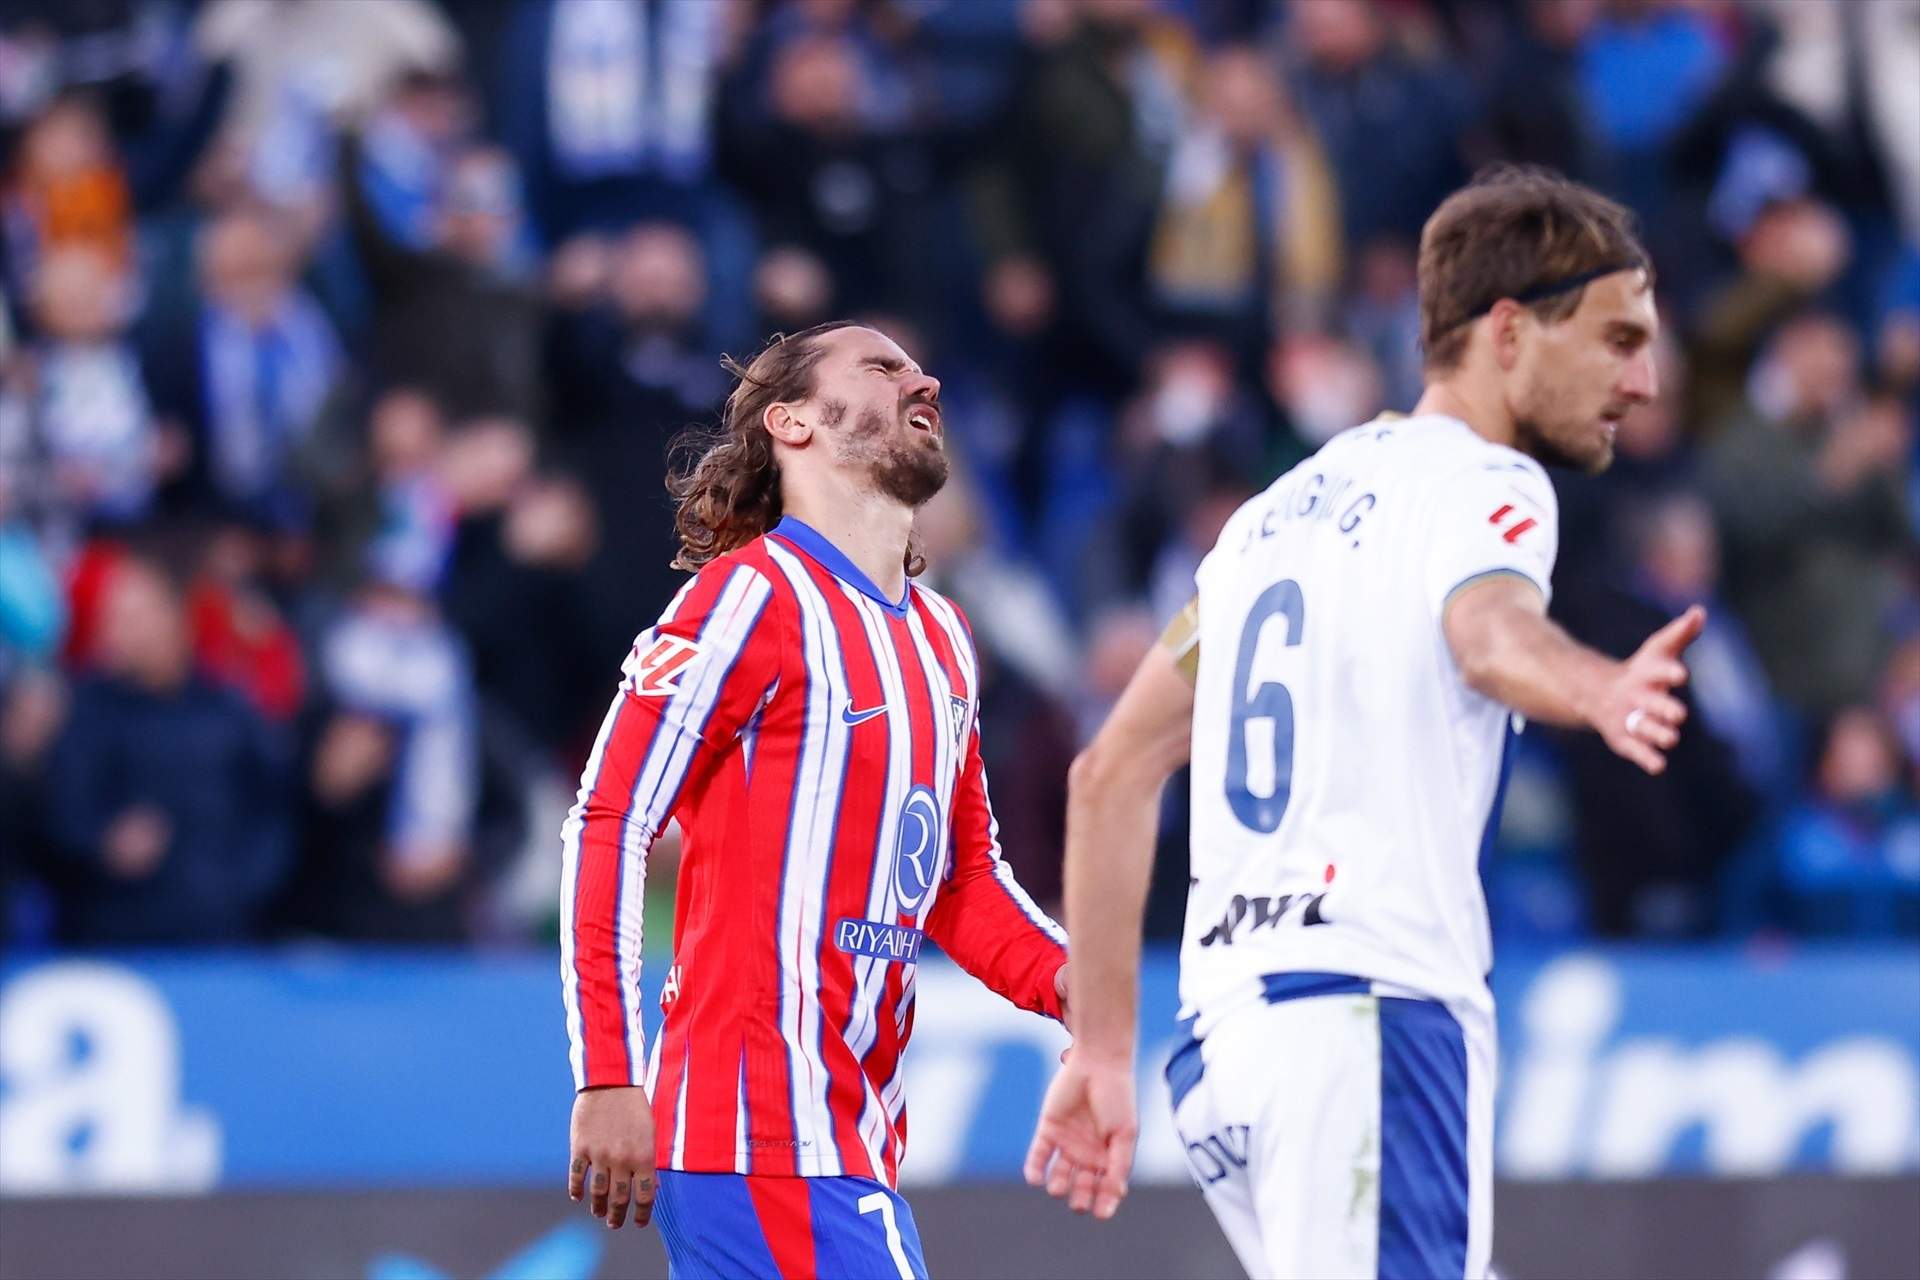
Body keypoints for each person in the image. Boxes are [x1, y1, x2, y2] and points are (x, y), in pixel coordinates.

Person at [1024, 168, 1705, 1278]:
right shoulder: (1487, 487)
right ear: (1509, 330)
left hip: (1225, 1047)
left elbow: (1111, 770)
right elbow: (1487, 632)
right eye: (1620, 335)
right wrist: (1597, 685)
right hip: (1363, 1016)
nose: (1645, 377)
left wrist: (1101, 1047)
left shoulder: (1269, 523)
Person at [561, 322, 1069, 1277]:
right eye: (880, 367)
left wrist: (1072, 984)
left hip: (848, 1134)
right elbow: (609, 818)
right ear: (792, 422)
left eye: (919, 364)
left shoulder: (944, 639)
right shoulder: (748, 598)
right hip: (758, 1135)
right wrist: (607, 1070)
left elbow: (959, 881)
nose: (922, 378)